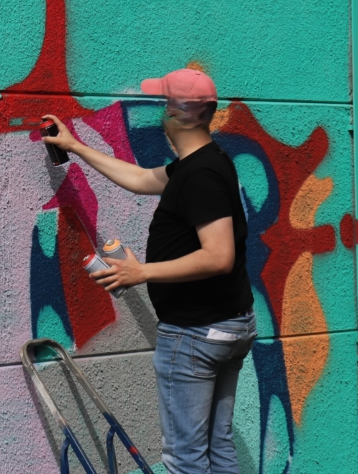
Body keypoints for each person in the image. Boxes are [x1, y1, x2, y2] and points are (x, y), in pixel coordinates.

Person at [42, 68, 256, 474]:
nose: (162, 113)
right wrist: (75, 146)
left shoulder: (201, 176)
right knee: (218, 447)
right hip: (226, 327)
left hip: (196, 333)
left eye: (167, 105)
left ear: (183, 114)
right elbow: (140, 179)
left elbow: (219, 256)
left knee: (185, 459)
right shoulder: (202, 164)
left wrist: (141, 273)